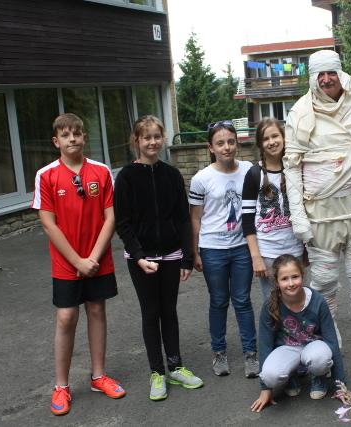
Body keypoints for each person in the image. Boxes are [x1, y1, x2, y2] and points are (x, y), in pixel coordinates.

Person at [284, 49, 351, 371]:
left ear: (340, 73)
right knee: (324, 283)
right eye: (321, 74)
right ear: (312, 78)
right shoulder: (300, 112)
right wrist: (298, 216)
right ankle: (330, 345)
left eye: (331, 72)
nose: (327, 79)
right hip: (320, 215)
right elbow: (292, 167)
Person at [32, 113, 125, 416]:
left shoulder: (101, 171)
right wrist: (78, 261)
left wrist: (93, 258)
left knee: (96, 310)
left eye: (77, 133)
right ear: (55, 141)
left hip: (98, 259)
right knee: (66, 317)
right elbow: (49, 224)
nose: (72, 139)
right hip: (66, 262)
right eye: (65, 134)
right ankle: (61, 386)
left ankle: (98, 376)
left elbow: (111, 217)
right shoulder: (46, 175)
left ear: (84, 137)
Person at [114, 115, 203, 401]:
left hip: (171, 255)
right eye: (146, 137)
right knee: (151, 313)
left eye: (156, 136)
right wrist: (139, 256)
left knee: (169, 311)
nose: (152, 142)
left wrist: (187, 257)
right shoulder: (126, 177)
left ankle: (175, 366)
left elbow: (182, 219)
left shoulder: (172, 175)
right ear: (136, 141)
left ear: (162, 138)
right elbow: (123, 223)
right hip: (140, 259)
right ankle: (157, 372)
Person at [189, 120, 259, 378]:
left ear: (237, 143)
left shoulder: (250, 170)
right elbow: (195, 218)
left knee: (242, 300)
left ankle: (250, 353)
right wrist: (195, 251)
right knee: (218, 301)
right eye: (220, 143)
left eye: (230, 141)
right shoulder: (201, 179)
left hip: (242, 247)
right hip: (213, 249)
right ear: (211, 147)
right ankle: (219, 352)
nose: (226, 147)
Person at [250, 254, 345, 412]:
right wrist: (265, 389)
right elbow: (265, 344)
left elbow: (332, 341)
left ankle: (319, 376)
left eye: (295, 277)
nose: (291, 283)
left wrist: (340, 386)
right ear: (277, 282)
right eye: (284, 279)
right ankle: (290, 376)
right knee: (270, 376)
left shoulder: (317, 301)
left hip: (314, 346)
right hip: (288, 348)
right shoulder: (270, 305)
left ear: (302, 275)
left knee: (320, 359)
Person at [241, 118, 304, 302]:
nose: (272, 142)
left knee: (296, 300)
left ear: (284, 138)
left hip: (295, 249)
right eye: (266, 139)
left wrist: (307, 250)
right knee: (273, 303)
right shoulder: (254, 174)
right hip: (268, 252)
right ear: (260, 144)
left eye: (275, 136)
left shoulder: (295, 169)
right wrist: (256, 257)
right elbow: (247, 220)